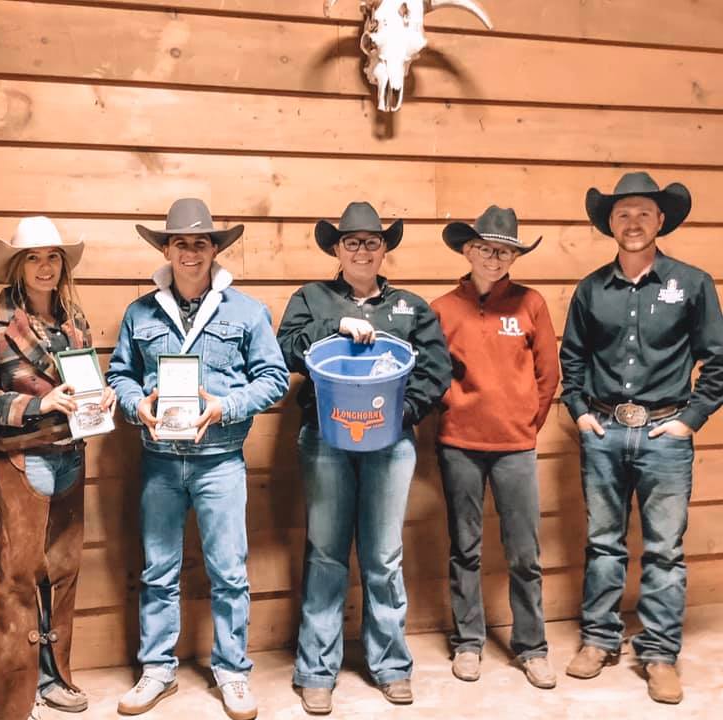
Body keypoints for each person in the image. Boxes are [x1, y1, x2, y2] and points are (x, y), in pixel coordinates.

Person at [107, 198, 288, 720]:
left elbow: (273, 379)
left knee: (229, 571)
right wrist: (135, 404)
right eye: (180, 242)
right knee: (158, 570)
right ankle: (157, 671)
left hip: (220, 462)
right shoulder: (139, 312)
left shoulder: (248, 312)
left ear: (214, 249)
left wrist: (227, 406)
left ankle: (232, 672)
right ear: (166, 248)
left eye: (200, 242)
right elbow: (120, 374)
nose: (190, 252)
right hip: (160, 462)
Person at [277, 201, 451, 714]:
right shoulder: (310, 298)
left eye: (372, 241)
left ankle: (392, 665)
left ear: (384, 249)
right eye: (351, 241)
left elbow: (437, 368)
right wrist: (335, 330)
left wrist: (404, 414)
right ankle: (316, 670)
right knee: (326, 554)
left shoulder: (412, 308)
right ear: (336, 248)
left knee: (383, 555)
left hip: (390, 445)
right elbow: (286, 348)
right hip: (326, 439)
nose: (362, 249)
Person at [560, 172, 723, 704]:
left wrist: (689, 420)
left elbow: (718, 362)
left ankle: (658, 654)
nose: (632, 223)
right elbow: (573, 358)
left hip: (665, 435)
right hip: (605, 432)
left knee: (664, 550)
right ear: (609, 223)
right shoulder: (590, 289)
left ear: (660, 221)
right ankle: (599, 639)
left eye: (643, 213)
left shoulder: (692, 284)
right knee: (603, 543)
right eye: (622, 213)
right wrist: (581, 413)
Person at [0, 216, 114, 720]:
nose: (45, 267)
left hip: (71, 455)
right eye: (34, 258)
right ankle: (10, 696)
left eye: (52, 257)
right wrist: (39, 406)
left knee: (63, 576)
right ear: (18, 266)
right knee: (16, 581)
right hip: (21, 463)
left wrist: (100, 397)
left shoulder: (74, 317)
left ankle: (54, 678)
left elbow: (84, 382)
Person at [430, 206, 559, 688]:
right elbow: (432, 374)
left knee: (524, 551)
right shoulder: (442, 308)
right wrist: (451, 411)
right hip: (459, 444)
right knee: (464, 548)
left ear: (514, 256)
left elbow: (549, 375)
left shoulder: (531, 304)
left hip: (516, 447)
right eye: (484, 247)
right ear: (467, 250)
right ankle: (468, 642)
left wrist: (526, 424)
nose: (493, 256)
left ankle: (533, 646)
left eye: (504, 250)